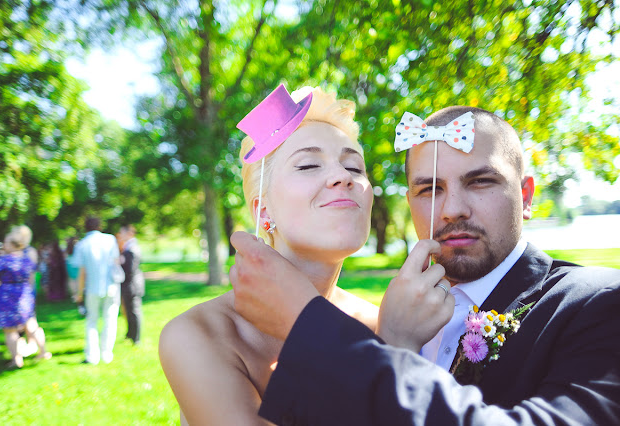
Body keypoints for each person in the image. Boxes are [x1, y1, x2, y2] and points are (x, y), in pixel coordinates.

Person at [229, 106, 620, 425]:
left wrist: (309, 323)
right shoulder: (392, 314)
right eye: (429, 189)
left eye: (480, 182)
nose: (452, 210)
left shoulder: (599, 303)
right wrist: (392, 342)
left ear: (526, 195)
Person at [159, 86, 380, 425]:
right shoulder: (198, 334)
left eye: (354, 167)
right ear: (263, 213)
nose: (342, 177)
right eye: (308, 165)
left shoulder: (381, 323)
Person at [0, 225, 51, 368]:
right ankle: (43, 352)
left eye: (5, 242)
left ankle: (16, 360)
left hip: (7, 296)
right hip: (24, 294)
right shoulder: (26, 260)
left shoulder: (4, 260)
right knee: (31, 324)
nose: (3, 245)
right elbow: (31, 279)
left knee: (9, 329)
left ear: (12, 244)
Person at [73, 217, 121, 365]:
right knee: (110, 319)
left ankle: (92, 356)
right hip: (111, 286)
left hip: (92, 288)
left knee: (91, 321)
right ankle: (107, 353)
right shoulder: (110, 239)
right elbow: (116, 262)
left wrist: (79, 293)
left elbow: (82, 272)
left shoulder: (82, 244)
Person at [118, 225, 144, 345]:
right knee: (129, 311)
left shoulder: (132, 248)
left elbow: (130, 269)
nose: (121, 235)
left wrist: (119, 264)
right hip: (129, 285)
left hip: (132, 285)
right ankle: (130, 334)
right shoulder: (129, 247)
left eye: (122, 232)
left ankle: (136, 338)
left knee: (134, 311)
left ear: (129, 233)